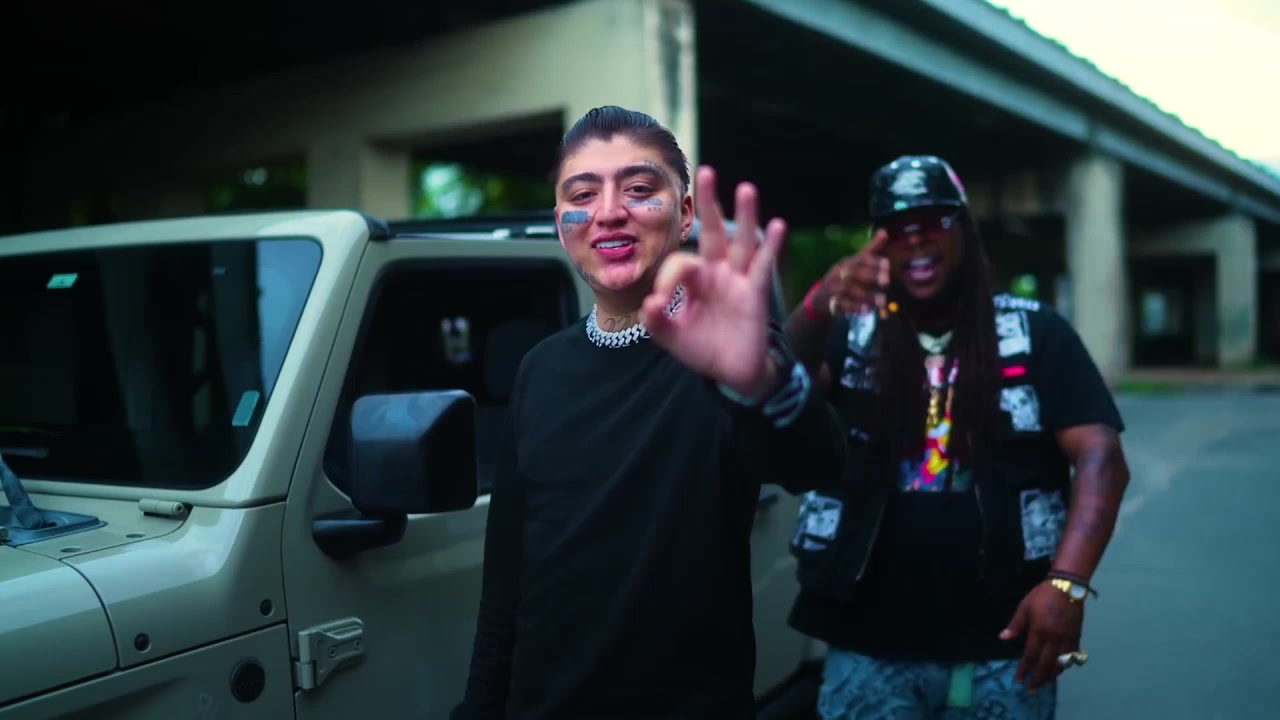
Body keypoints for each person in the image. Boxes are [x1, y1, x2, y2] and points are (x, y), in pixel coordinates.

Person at [452, 106, 847, 720]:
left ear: (685, 213)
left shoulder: (728, 354)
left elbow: (820, 462)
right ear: (561, 223)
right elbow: (505, 585)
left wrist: (763, 384)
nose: (610, 211)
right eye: (583, 195)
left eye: (639, 189)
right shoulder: (539, 370)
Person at [781, 155, 1131, 719]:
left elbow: (1101, 459)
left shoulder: (1036, 331)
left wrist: (1067, 584)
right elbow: (781, 382)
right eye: (897, 226)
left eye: (934, 220)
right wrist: (818, 304)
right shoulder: (849, 330)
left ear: (964, 229)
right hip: (868, 642)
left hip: (1004, 643)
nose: (916, 238)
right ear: (877, 244)